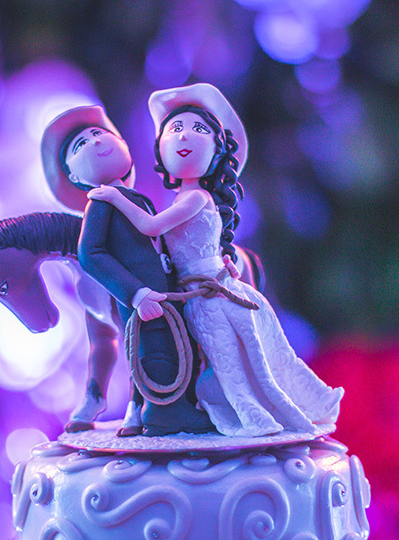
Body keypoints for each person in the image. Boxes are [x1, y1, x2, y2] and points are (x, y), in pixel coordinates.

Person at [87, 84, 343, 437]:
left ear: (216, 151)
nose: (184, 136)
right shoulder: (185, 198)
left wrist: (116, 197)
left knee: (232, 365)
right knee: (232, 362)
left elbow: (150, 227)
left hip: (212, 299)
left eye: (198, 129)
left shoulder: (194, 198)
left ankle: (256, 419)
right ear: (160, 148)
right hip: (204, 293)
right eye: (175, 129)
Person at [42, 104, 214, 436]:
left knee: (181, 346)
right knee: (154, 350)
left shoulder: (138, 200)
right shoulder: (100, 203)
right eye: (81, 145)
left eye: (99, 134)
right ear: (74, 177)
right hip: (142, 298)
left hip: (167, 292)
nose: (95, 142)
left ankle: (183, 404)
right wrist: (135, 294)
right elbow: (90, 255)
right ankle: (164, 412)